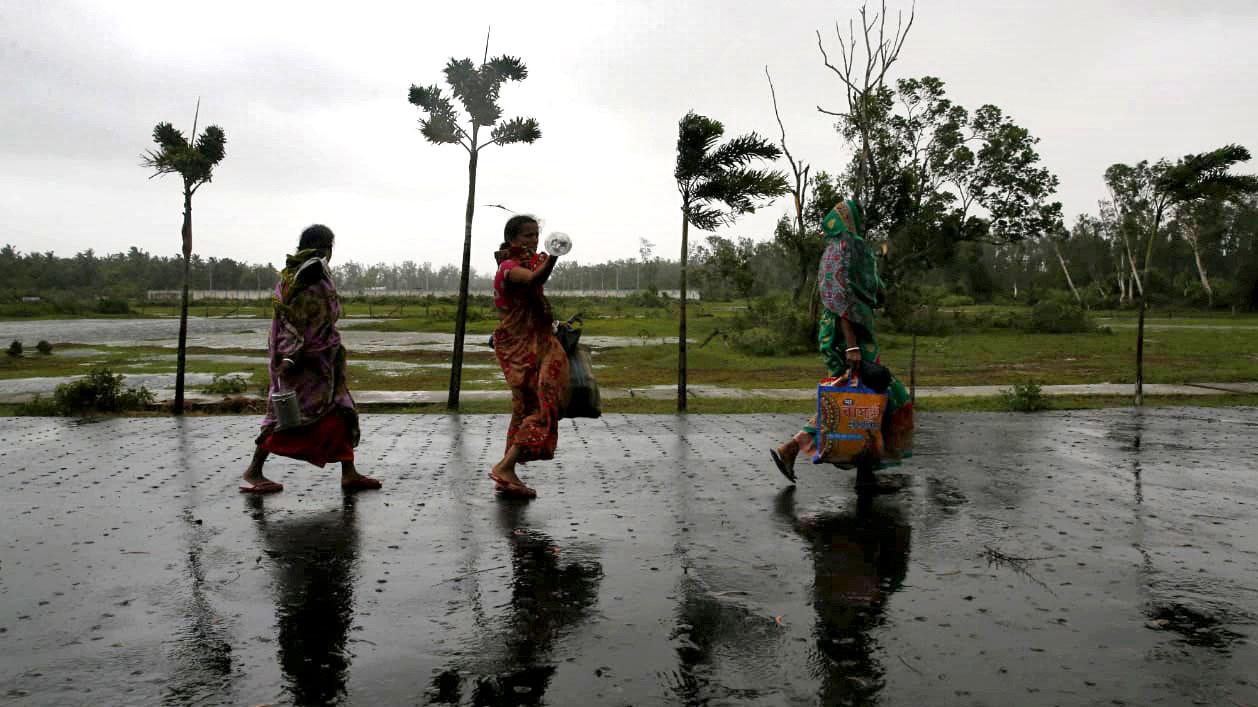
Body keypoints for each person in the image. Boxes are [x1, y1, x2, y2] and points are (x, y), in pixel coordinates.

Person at [770, 198, 912, 489]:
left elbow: (872, 294)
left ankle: (864, 470)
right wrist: (851, 346)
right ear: (853, 221)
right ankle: (793, 449)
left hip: (842, 338)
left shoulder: (837, 251)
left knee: (861, 399)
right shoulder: (846, 250)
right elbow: (841, 301)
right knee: (864, 398)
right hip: (847, 340)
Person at [240, 224, 380, 494]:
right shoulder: (304, 277)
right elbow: (292, 321)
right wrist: (291, 357)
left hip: (324, 364)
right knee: (286, 417)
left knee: (341, 410)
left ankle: (349, 473)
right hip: (304, 363)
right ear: (324, 246)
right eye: (330, 246)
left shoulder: (304, 274)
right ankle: (253, 470)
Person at [489, 215, 569, 498]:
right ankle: (505, 466)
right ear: (512, 239)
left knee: (526, 408)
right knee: (541, 405)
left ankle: (507, 472)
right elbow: (535, 278)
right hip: (522, 350)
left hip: (536, 344)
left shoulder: (527, 263)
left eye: (537, 235)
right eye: (527, 236)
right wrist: (556, 255)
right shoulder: (509, 268)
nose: (534, 241)